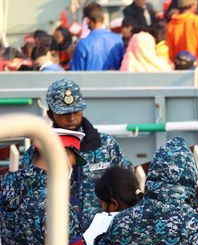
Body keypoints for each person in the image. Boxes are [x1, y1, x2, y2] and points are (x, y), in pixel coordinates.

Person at [21, 79, 131, 229]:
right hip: (56, 237)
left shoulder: (107, 145)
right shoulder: (37, 152)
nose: (72, 118)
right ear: (50, 114)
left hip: (102, 236)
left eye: (76, 111)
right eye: (64, 113)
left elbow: (125, 188)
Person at [71, 2, 125, 70]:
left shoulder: (83, 44)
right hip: (115, 80)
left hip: (90, 80)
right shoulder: (118, 41)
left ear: (87, 20)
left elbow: (76, 74)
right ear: (103, 18)